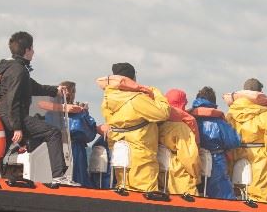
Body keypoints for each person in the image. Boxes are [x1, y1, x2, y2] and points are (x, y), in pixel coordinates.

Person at [0, 31, 70, 182]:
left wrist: (56, 90)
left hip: (3, 116)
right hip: (13, 117)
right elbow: (13, 99)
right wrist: (17, 127)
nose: (34, 52)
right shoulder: (19, 70)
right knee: (53, 133)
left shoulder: (11, 68)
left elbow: (34, 87)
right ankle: (59, 176)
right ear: (27, 50)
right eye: (32, 49)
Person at [98, 62, 170, 192]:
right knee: (145, 190)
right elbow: (163, 113)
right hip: (140, 151)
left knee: (123, 186)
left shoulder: (108, 98)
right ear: (133, 78)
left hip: (119, 148)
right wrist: (156, 93)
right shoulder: (136, 99)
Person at [224, 81, 267, 203]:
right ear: (260, 93)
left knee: (238, 198)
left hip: (237, 160)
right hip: (260, 164)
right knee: (264, 201)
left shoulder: (231, 113)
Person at [190, 86, 241, 199]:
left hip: (194, 161)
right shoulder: (219, 122)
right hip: (216, 163)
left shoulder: (189, 119)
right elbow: (235, 141)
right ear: (213, 102)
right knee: (223, 196)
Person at [56, 81, 100, 187]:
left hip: (55, 145)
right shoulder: (76, 111)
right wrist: (85, 112)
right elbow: (87, 133)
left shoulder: (52, 108)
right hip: (74, 147)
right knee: (78, 173)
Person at [161, 89, 201, 195]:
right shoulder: (181, 128)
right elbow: (190, 158)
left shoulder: (156, 123)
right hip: (178, 177)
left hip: (158, 175)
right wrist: (197, 176)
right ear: (182, 104)